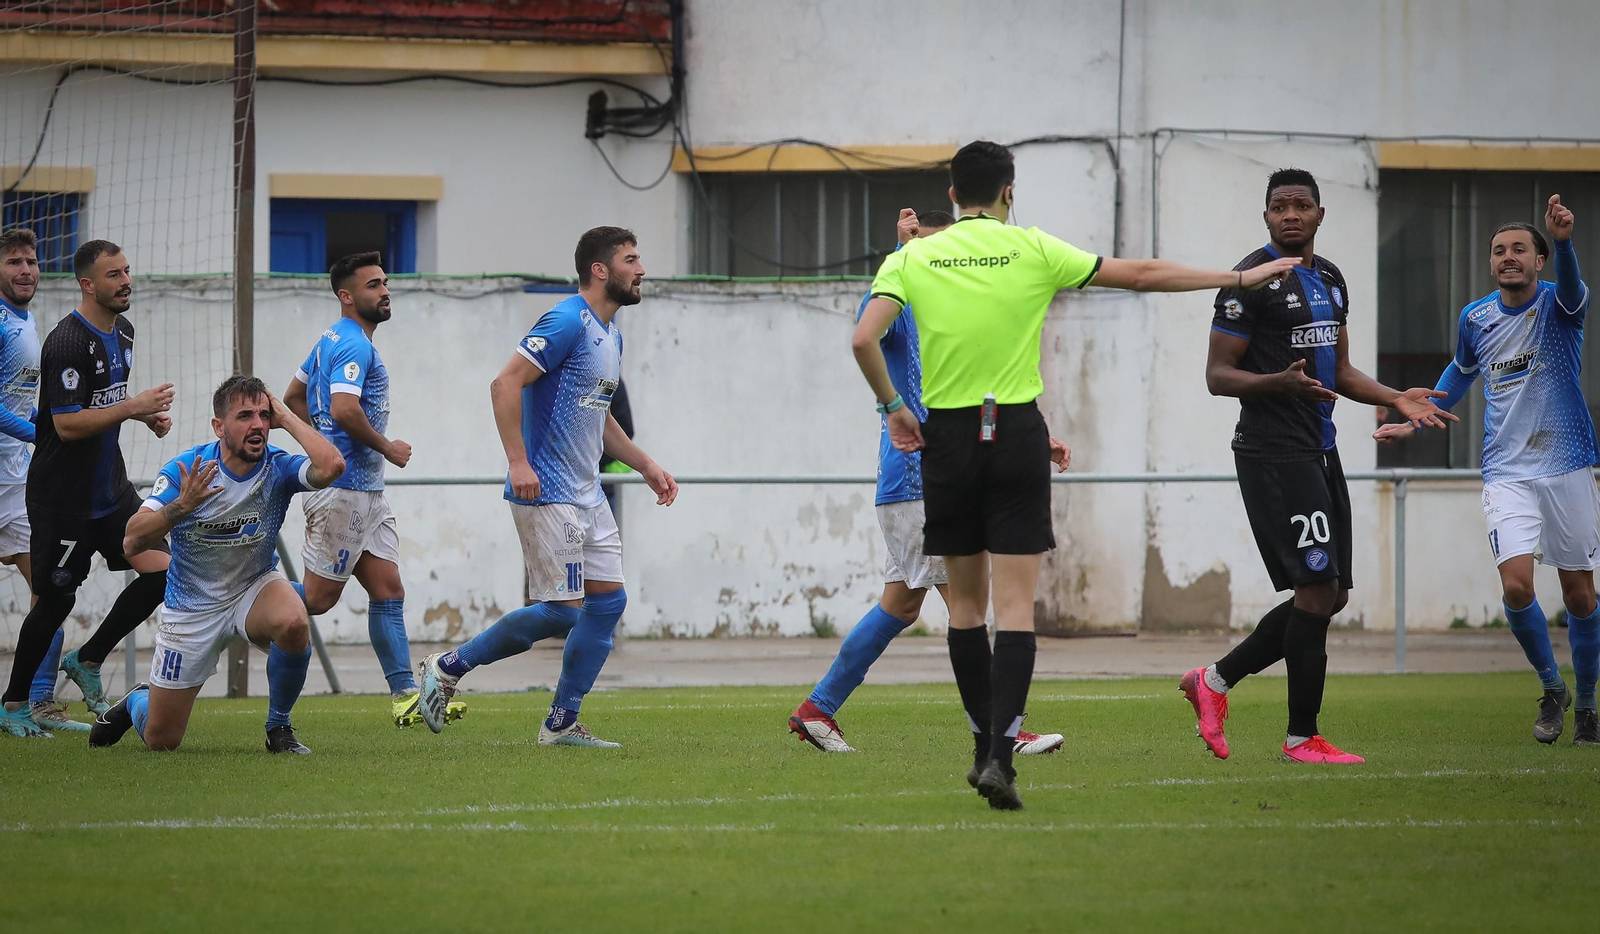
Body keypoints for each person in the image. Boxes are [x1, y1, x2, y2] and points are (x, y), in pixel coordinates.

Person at [854, 140, 1304, 810]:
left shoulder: (914, 255)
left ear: (951, 195)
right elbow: (1143, 274)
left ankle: (981, 747)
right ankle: (1003, 757)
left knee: (967, 610)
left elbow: (864, 338)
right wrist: (1237, 279)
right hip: (1014, 433)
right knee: (1014, 609)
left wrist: (894, 408)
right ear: (1010, 191)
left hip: (946, 438)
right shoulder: (1033, 248)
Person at [1180, 168, 1455, 765]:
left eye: (1302, 205)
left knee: (1331, 596)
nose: (1291, 215)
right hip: (1273, 453)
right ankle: (1301, 738)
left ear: (1320, 215)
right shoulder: (1247, 282)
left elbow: (1341, 371)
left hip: (1319, 450)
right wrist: (1275, 383)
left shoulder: (1330, 278)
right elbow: (1217, 375)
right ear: (1267, 216)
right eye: (1280, 206)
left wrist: (1392, 397)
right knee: (1316, 588)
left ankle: (1214, 681)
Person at [791, 207, 1066, 756]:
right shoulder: (904, 294)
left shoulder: (955, 311)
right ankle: (1000, 733)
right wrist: (898, 252)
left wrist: (1035, 436)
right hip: (920, 479)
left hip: (923, 480)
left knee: (901, 606)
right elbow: (865, 325)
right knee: (969, 609)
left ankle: (817, 710)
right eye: (931, 248)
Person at [416, 226, 678, 746]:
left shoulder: (611, 334)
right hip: (549, 490)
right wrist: (518, 461)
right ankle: (447, 667)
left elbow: (599, 418)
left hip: (587, 492)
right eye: (631, 259)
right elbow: (505, 382)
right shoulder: (565, 320)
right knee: (563, 610)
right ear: (600, 270)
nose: (641, 268)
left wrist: (646, 465)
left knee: (607, 605)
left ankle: (561, 723)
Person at [1376, 195, 1599, 746]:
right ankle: (1553, 689)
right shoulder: (1475, 318)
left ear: (1540, 259)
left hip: (1566, 464)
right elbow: (1462, 368)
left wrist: (1565, 239)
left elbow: (1573, 290)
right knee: (1517, 587)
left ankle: (1589, 707)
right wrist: (1417, 415)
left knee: (1580, 597)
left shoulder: (1559, 305)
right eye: (1499, 250)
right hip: (1505, 471)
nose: (1508, 257)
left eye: (1520, 248)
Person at [91, 376, 346, 753]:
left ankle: (279, 729)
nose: (257, 424)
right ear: (219, 427)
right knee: (162, 740)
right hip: (192, 609)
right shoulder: (187, 470)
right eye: (245, 416)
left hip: (253, 587)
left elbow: (332, 466)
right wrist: (180, 507)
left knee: (294, 621)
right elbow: (132, 539)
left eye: (263, 415)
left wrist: (287, 418)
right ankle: (137, 701)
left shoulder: (277, 467)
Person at [0, 239, 174, 739]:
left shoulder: (124, 331)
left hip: (111, 490)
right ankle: (14, 705)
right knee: (54, 601)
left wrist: (146, 417)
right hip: (63, 499)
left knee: (168, 572)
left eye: (127, 271)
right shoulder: (66, 343)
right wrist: (134, 407)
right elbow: (70, 425)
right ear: (87, 284)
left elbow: (108, 406)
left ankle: (88, 658)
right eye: (113, 275)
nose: (125, 282)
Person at [284, 252, 455, 727]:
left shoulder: (328, 340)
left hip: (365, 492)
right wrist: (386, 446)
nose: (384, 291)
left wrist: (320, 441)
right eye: (373, 285)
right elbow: (343, 409)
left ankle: (404, 696)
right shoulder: (354, 345)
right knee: (316, 600)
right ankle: (241, 601)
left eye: (384, 283)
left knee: (388, 589)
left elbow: (294, 397)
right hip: (344, 492)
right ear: (346, 296)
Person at [0, 229, 87, 733]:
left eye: (31, 261)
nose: (26, 270)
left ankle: (37, 704)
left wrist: (49, 430)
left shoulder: (27, 321)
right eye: (14, 261)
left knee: (52, 592)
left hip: (17, 487)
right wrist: (42, 431)